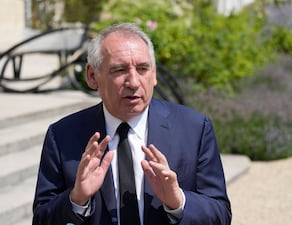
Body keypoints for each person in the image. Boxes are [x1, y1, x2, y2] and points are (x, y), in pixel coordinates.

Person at [32, 23, 231, 225]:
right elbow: (41, 219)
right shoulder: (63, 135)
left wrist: (178, 202)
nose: (133, 82)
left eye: (143, 69)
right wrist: (76, 200)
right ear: (92, 77)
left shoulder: (194, 129)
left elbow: (220, 215)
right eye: (119, 70)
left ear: (154, 75)